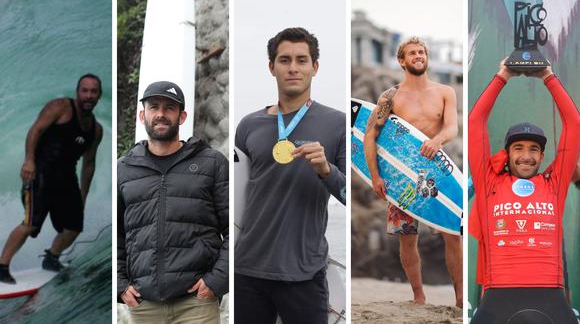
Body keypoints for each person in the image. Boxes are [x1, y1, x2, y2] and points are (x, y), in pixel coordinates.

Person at [234, 27, 346, 324]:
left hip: (303, 271)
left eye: (301, 60)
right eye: (284, 60)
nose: (293, 68)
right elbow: (237, 194)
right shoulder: (248, 126)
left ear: (315, 67)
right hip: (248, 269)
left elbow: (350, 195)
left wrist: (326, 170)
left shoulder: (337, 124)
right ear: (272, 67)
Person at [468, 60, 579, 323]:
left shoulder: (554, 183)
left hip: (550, 295)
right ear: (507, 154)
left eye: (533, 150)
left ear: (542, 157)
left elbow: (573, 122)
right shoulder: (489, 183)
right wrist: (503, 75)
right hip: (497, 296)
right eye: (518, 148)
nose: (526, 156)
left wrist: (548, 77)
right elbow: (475, 121)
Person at [117, 81, 228, 324]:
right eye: (154, 107)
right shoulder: (123, 169)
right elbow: (117, 236)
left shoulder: (212, 163)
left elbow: (237, 228)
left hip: (196, 302)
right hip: (144, 305)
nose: (160, 114)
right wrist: (119, 285)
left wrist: (217, 280)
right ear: (142, 114)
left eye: (169, 108)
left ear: (182, 116)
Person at [364, 36, 463, 307]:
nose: (419, 56)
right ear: (401, 60)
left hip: (437, 172)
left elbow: (453, 127)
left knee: (453, 233)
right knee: (407, 237)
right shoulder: (391, 97)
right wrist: (375, 176)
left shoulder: (445, 92)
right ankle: (419, 297)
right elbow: (369, 136)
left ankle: (459, 298)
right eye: (412, 53)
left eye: (422, 52)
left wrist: (438, 140)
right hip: (402, 176)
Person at [0, 74, 104, 283]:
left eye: (93, 91)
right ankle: (2, 266)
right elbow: (35, 130)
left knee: (74, 226)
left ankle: (52, 258)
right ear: (77, 92)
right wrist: (29, 160)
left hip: (66, 179)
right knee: (30, 223)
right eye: (85, 90)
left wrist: (82, 195)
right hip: (40, 174)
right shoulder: (60, 107)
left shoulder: (95, 129)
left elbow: (89, 163)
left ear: (99, 95)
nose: (88, 95)